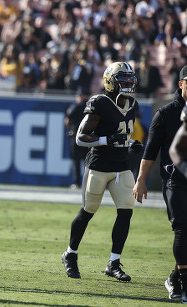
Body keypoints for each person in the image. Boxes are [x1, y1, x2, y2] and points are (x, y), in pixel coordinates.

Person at [61, 62, 143, 281]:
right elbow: (81, 137)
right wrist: (108, 140)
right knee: (88, 211)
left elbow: (122, 133)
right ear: (111, 81)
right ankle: (70, 254)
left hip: (122, 166)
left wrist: (131, 142)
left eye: (129, 79)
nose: (128, 83)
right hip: (98, 166)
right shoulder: (100, 102)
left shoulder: (132, 103)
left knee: (126, 211)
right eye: (123, 80)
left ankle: (113, 263)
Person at [154, 65, 187, 302]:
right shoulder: (169, 114)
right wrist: (140, 181)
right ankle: (182, 282)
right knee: (182, 229)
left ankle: (175, 278)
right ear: (181, 83)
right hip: (176, 178)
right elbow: (172, 150)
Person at [64, 87, 91, 189]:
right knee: (87, 161)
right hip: (88, 137)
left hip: (75, 135)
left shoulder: (75, 106)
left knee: (75, 160)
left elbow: (68, 121)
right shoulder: (92, 107)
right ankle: (88, 183)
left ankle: (76, 182)